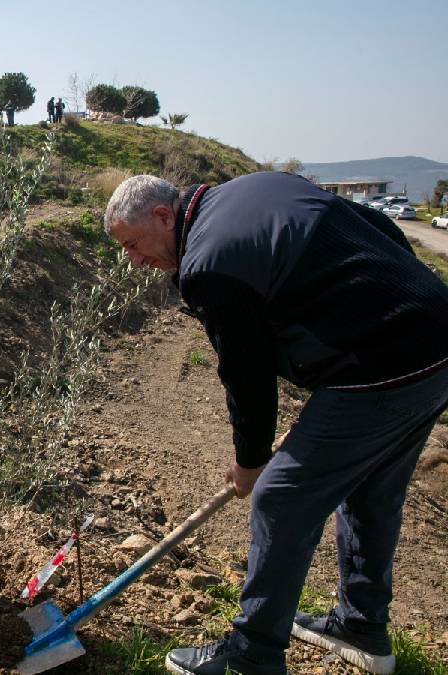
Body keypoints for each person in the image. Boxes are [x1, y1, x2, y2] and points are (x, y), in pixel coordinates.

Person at [104, 172, 448, 675]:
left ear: (163, 215)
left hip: (381, 365)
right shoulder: (254, 189)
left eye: (133, 245)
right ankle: (361, 628)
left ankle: (252, 656)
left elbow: (247, 373)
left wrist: (250, 461)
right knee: (371, 491)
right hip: (433, 340)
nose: (133, 261)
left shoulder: (209, 263)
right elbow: (379, 229)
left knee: (280, 496)